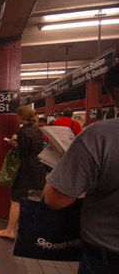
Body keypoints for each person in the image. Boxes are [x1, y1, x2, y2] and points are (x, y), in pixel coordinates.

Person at [44, 62, 119, 273]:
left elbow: (55, 199)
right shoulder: (82, 128)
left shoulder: (100, 135)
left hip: (107, 259)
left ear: (115, 92)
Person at [0, 106, 46, 239]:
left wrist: (14, 144)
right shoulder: (37, 129)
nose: (16, 118)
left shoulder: (23, 131)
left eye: (17, 115)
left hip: (26, 170)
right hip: (39, 168)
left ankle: (10, 231)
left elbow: (22, 153)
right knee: (34, 198)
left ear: (22, 117)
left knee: (16, 200)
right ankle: (31, 229)